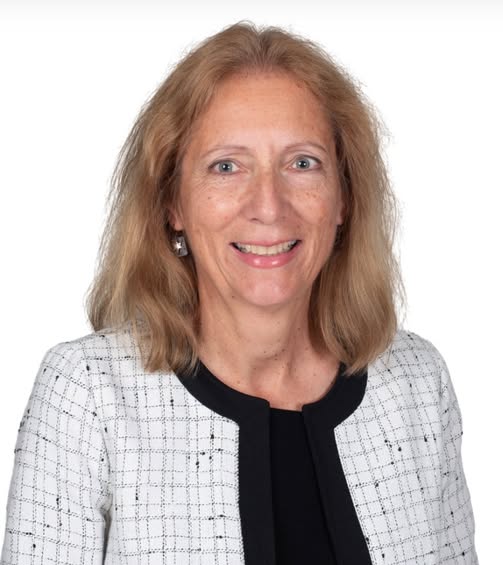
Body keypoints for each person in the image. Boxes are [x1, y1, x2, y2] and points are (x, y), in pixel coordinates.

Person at [0, 20, 478, 565]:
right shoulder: (88, 396)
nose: (269, 206)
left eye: (302, 163)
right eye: (226, 167)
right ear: (172, 203)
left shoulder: (417, 384)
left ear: (344, 197)